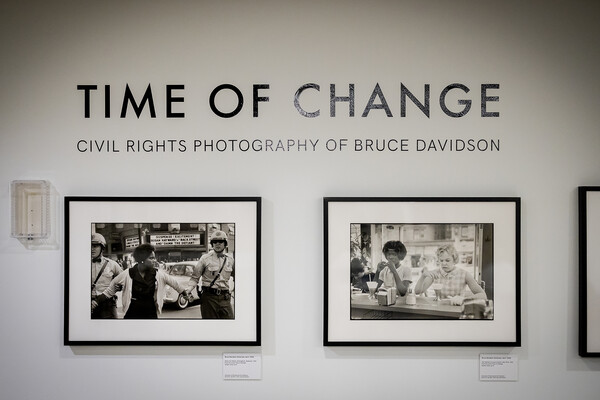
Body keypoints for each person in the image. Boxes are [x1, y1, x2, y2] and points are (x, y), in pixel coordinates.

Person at [92, 243, 191, 319]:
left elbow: (175, 283)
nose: (155, 260)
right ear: (142, 259)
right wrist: (95, 301)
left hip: (150, 313)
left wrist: (184, 293)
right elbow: (109, 291)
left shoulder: (158, 274)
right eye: (151, 258)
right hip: (132, 313)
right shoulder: (127, 274)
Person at [414, 244, 486, 305]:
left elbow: (483, 295)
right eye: (441, 260)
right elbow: (417, 292)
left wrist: (464, 299)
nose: (444, 263)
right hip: (440, 309)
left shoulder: (465, 274)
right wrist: (423, 276)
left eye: (447, 260)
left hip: (458, 309)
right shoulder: (435, 273)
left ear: (454, 260)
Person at [188, 230, 235, 319]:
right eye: (214, 242)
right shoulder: (205, 259)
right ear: (212, 244)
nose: (217, 244)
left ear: (225, 244)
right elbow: (195, 278)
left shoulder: (230, 260)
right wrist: (188, 290)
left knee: (229, 324)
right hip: (209, 299)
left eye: (220, 242)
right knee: (210, 326)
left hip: (225, 298)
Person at [90, 233, 123, 319]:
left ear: (102, 247)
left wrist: (118, 287)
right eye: (90, 246)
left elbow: (123, 280)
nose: (92, 249)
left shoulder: (112, 264)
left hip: (107, 304)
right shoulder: (81, 264)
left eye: (95, 246)